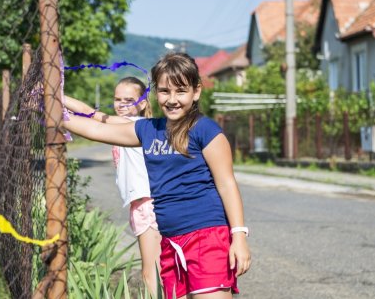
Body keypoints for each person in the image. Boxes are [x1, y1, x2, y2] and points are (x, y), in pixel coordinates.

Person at [62, 52, 251, 299]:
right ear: (155, 93)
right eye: (164, 91)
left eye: (180, 91)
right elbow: (97, 128)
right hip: (170, 241)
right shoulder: (149, 130)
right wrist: (53, 112)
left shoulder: (206, 131)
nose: (172, 99)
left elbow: (227, 185)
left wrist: (239, 237)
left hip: (207, 239)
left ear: (196, 92)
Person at [64, 76, 162, 296]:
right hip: (141, 205)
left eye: (129, 99)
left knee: (151, 272)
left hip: (147, 205)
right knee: (159, 268)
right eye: (118, 99)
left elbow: (91, 114)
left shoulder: (134, 124)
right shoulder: (134, 126)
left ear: (143, 102)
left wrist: (52, 101)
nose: (122, 104)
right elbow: (90, 113)